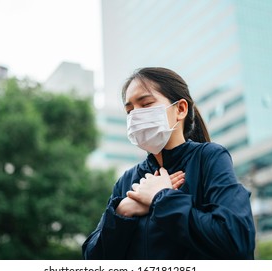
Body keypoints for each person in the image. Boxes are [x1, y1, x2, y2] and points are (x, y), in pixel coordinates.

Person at [82, 67, 256, 259]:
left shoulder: (209, 158)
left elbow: (237, 240)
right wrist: (123, 211)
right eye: (130, 111)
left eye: (146, 104)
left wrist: (160, 198)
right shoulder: (127, 180)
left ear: (180, 109)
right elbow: (93, 258)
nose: (135, 116)